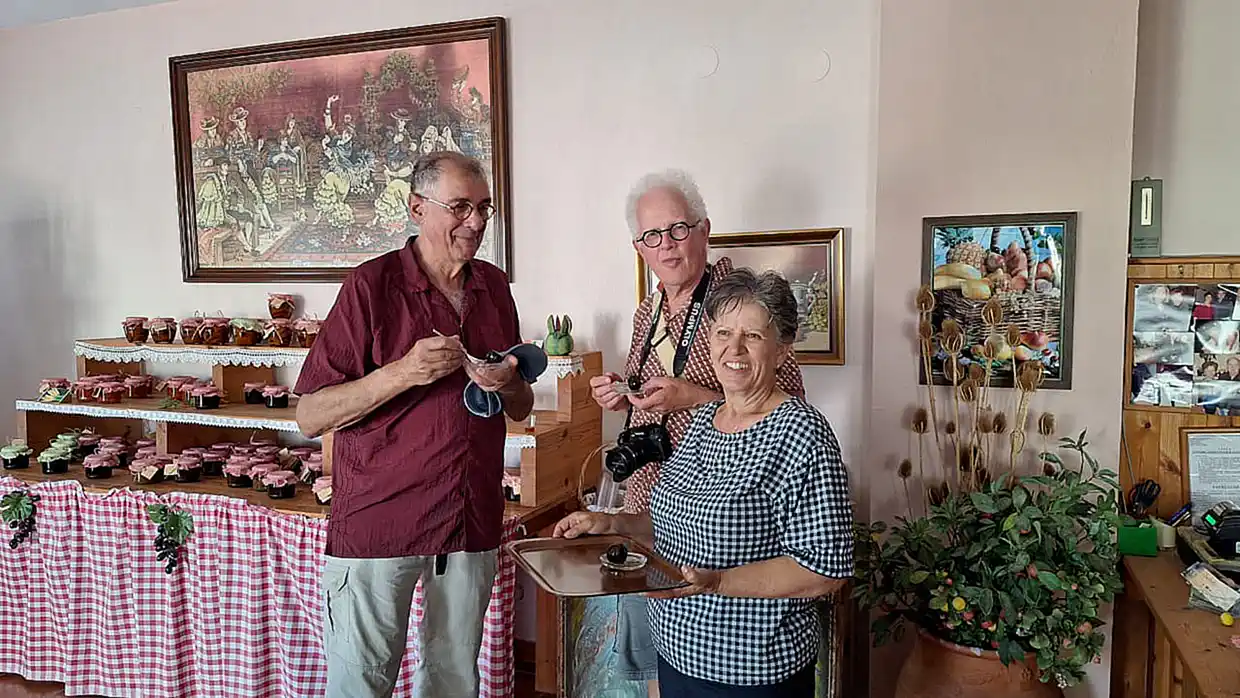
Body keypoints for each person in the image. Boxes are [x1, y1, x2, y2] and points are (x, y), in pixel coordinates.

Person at [294, 151, 533, 698]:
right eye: (460, 207)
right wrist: (401, 373)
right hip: (383, 520)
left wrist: (509, 382)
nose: (475, 222)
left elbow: (520, 407)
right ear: (416, 208)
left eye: (484, 208)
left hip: (469, 518)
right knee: (362, 681)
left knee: (453, 680)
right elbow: (311, 414)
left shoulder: (494, 288)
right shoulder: (370, 286)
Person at [558, 268, 853, 697]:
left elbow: (825, 570)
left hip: (754, 672)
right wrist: (616, 524)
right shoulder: (702, 421)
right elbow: (677, 523)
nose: (733, 349)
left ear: (783, 349)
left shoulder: (801, 431)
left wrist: (720, 582)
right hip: (676, 654)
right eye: (722, 333)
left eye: (752, 335)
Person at [590, 169, 805, 696]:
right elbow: (653, 391)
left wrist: (694, 397)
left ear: (705, 230)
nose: (666, 246)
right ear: (638, 247)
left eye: (678, 230)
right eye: (651, 236)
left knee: (713, 655)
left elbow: (791, 403)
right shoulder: (648, 312)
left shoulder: (736, 301)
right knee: (662, 660)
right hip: (650, 506)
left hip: (724, 520)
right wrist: (623, 393)